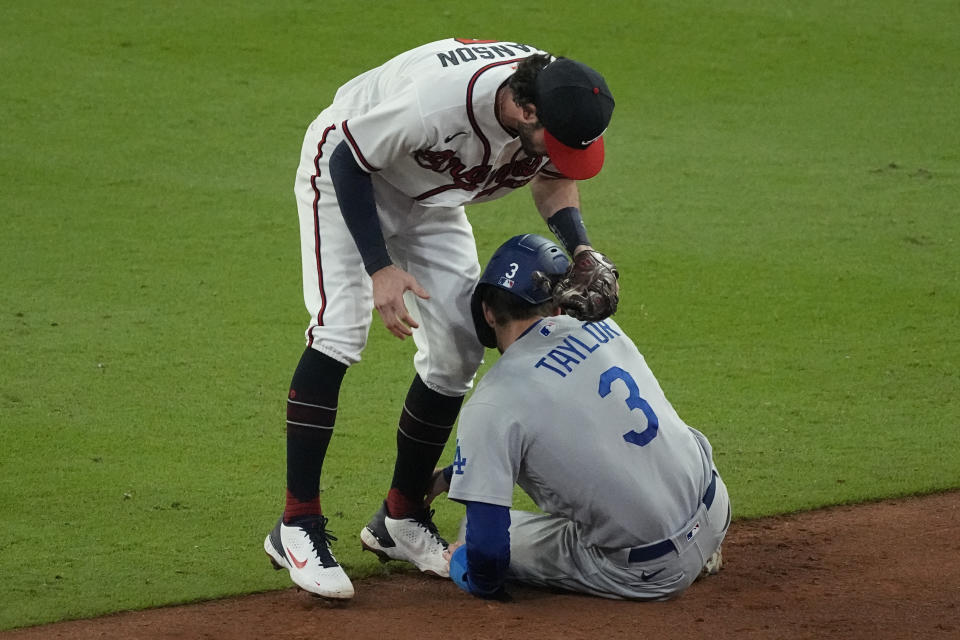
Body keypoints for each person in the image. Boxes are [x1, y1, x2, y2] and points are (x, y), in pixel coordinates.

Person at [263, 39, 619, 600]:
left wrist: (581, 249)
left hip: (428, 198)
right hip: (348, 172)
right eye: (552, 139)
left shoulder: (561, 95)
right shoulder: (437, 103)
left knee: (457, 352)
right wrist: (379, 268)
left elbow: (553, 174)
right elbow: (349, 160)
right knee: (339, 330)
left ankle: (400, 519)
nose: (558, 152)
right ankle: (295, 524)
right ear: (526, 110)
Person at [429, 233, 730, 601]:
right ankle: (705, 549)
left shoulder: (491, 403)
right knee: (669, 433)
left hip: (652, 571)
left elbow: (489, 558)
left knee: (473, 531)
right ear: (557, 305)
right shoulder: (601, 325)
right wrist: (452, 475)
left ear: (488, 312)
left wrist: (463, 564)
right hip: (716, 511)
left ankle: (677, 564)